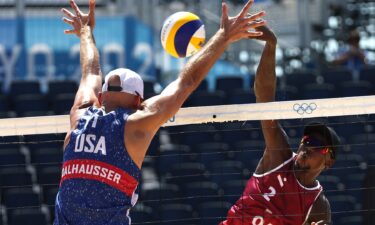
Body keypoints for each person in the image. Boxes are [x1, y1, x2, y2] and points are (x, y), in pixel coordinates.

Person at [56, 0, 266, 224]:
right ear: (139, 101)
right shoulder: (135, 124)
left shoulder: (80, 115)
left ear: (100, 97)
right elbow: (186, 82)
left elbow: (91, 72)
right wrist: (223, 36)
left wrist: (86, 32)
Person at [220, 26, 340, 225]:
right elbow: (264, 100)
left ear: (329, 162)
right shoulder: (280, 156)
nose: (308, 146)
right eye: (308, 139)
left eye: (318, 144)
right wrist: (271, 45)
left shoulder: (318, 206)